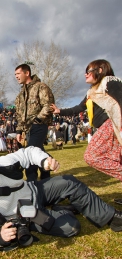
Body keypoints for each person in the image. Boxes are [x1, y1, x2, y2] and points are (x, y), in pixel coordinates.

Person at [0, 148, 122, 251]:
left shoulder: (3, 165)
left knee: (68, 181)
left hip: (35, 191)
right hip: (29, 216)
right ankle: (61, 210)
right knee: (71, 227)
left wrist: (45, 161)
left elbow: (28, 152)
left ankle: (112, 218)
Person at [51, 59, 122, 204]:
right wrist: (60, 111)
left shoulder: (109, 81)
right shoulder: (92, 91)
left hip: (111, 125)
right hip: (106, 127)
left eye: (88, 71)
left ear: (100, 70)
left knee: (91, 156)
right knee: (117, 160)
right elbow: (78, 108)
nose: (85, 74)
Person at [15, 61, 54, 182]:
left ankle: (32, 181)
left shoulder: (41, 87)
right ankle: (46, 172)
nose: (16, 76)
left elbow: (49, 105)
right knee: (39, 151)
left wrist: (38, 119)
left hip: (39, 126)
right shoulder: (21, 94)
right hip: (26, 130)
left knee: (30, 153)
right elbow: (19, 114)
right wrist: (19, 130)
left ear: (27, 73)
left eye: (18, 73)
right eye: (15, 74)